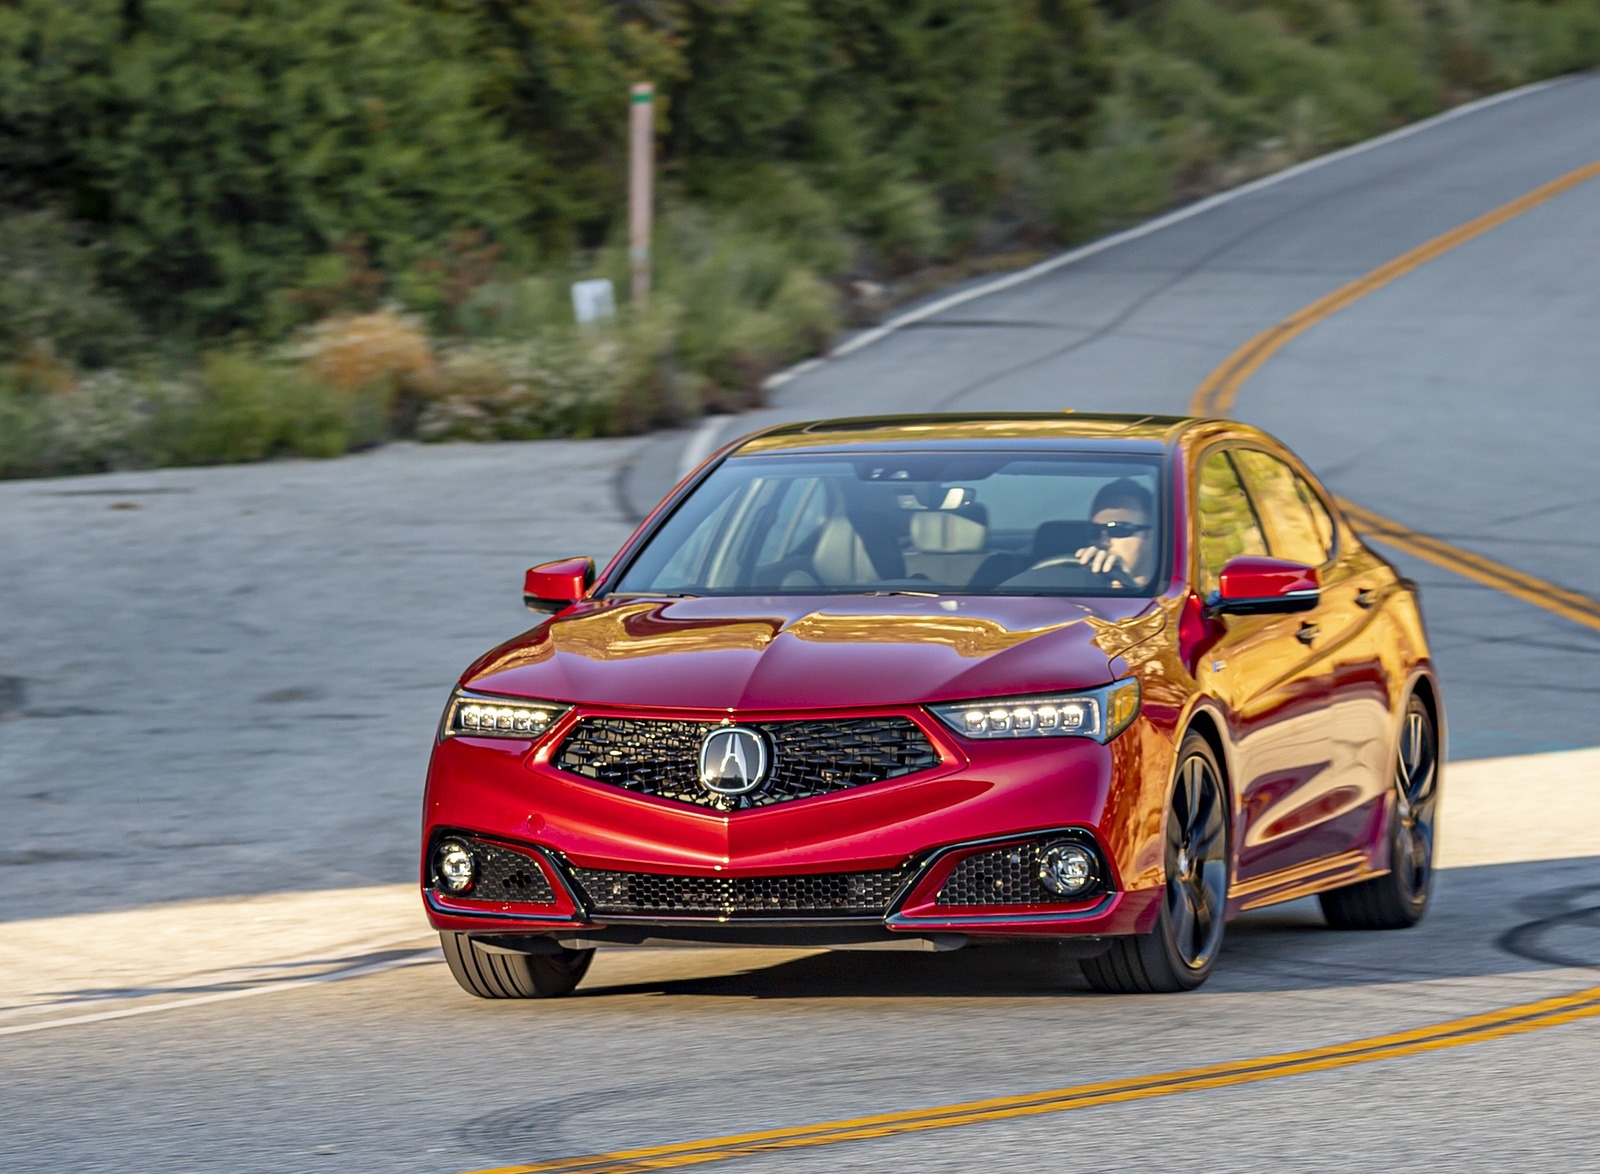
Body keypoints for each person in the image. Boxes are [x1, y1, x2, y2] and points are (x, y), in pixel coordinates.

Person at [1073, 478, 1157, 590]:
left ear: (1154, 536)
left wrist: (1127, 586)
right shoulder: (1071, 589)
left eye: (1119, 529)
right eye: (1094, 530)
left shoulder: (1176, 598)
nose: (1103, 542)